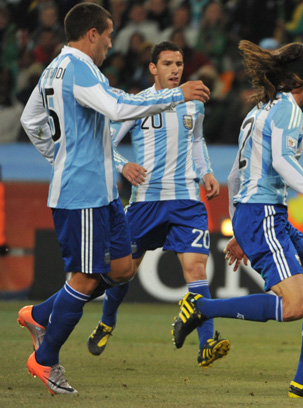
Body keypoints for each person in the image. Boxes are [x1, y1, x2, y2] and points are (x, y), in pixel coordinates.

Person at [17, 3, 209, 395]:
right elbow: (118, 107)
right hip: (82, 192)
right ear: (92, 34)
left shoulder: (56, 68)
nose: (110, 43)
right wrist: (174, 96)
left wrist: (58, 154)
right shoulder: (77, 68)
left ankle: (37, 315)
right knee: (86, 277)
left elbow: (30, 120)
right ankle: (45, 357)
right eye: (107, 36)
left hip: (103, 193)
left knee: (121, 269)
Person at [171, 40, 303, 399]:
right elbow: (283, 163)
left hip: (263, 214)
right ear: (298, 79)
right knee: (297, 305)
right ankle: (201, 308)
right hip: (264, 213)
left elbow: (236, 178)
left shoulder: (259, 111)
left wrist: (239, 226)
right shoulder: (288, 112)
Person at [87, 41, 227, 369]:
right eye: (167, 63)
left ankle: (207, 342)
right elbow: (104, 144)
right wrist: (123, 166)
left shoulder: (194, 104)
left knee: (195, 270)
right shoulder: (136, 104)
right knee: (124, 272)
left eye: (179, 63)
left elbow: (197, 141)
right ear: (153, 68)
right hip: (145, 202)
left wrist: (205, 170)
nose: (175, 69)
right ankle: (107, 321)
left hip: (187, 201)